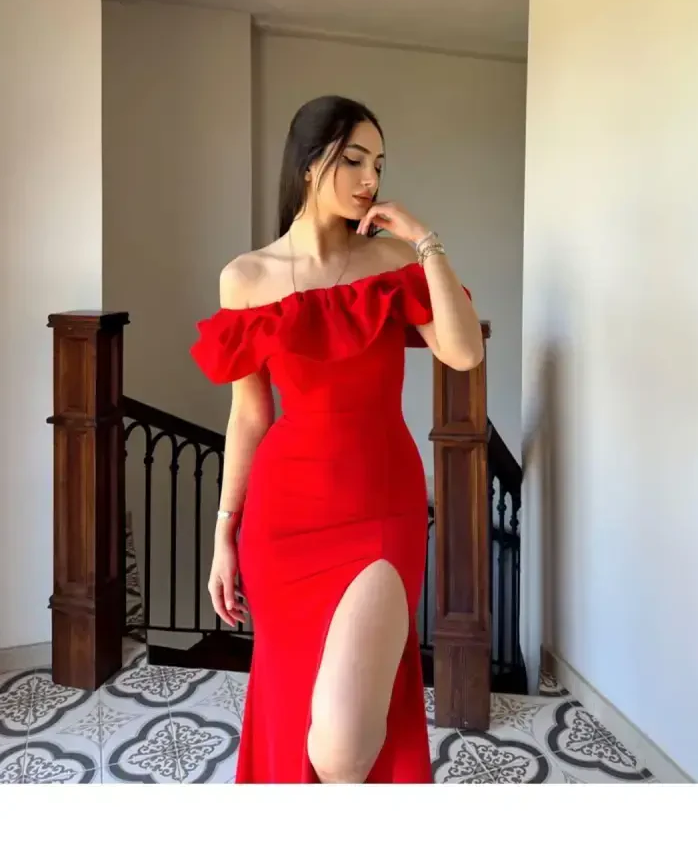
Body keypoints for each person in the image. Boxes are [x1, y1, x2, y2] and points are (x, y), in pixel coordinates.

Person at [191, 95, 483, 784]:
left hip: (381, 507)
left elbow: (464, 351)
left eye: (379, 163)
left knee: (342, 746)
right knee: (297, 712)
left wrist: (425, 241)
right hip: (283, 519)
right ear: (307, 162)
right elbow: (250, 416)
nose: (370, 179)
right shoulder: (246, 278)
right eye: (354, 159)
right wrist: (225, 530)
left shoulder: (389, 260)